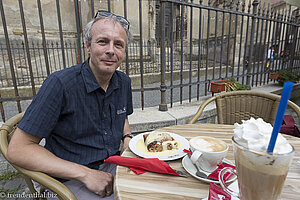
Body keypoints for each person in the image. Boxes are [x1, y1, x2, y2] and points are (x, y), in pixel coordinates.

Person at [7, 10, 133, 200]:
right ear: (88, 46)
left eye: (118, 44)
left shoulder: (123, 82)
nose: (110, 50)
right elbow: (18, 149)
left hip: (114, 165)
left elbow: (121, 114)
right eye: (102, 41)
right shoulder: (60, 84)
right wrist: (86, 174)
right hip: (67, 181)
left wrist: (127, 137)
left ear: (123, 52)